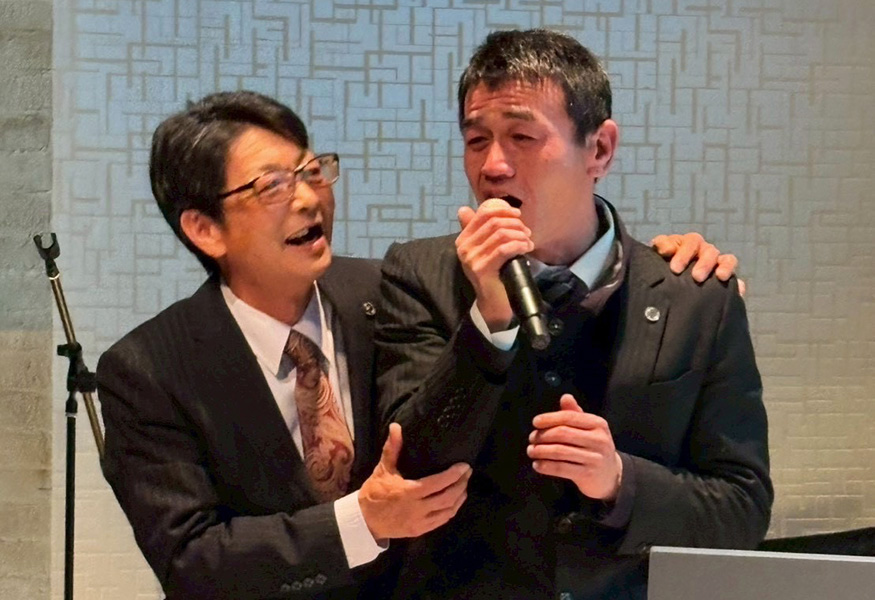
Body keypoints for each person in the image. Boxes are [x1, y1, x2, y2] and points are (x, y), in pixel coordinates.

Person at [375, 29, 772, 600]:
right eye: (476, 139)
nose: (493, 166)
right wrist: (490, 320)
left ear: (600, 150)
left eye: (522, 136)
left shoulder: (696, 297)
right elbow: (409, 469)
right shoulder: (418, 274)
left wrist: (620, 482)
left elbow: (743, 509)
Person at [96, 91, 473, 600]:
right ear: (205, 229)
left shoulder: (391, 293)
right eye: (272, 185)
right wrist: (361, 522)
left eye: (312, 171)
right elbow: (191, 560)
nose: (309, 199)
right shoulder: (148, 370)